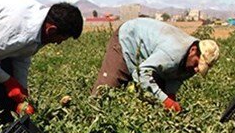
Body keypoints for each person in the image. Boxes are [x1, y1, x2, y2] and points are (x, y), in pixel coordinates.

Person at [91, 18, 220, 112]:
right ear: (193, 51)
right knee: (104, 93)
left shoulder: (191, 64)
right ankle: (88, 119)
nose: (197, 69)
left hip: (150, 55)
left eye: (201, 68)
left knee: (156, 103)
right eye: (197, 64)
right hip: (128, 39)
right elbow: (141, 74)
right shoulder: (172, 53)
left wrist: (170, 96)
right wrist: (166, 101)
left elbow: (177, 78)